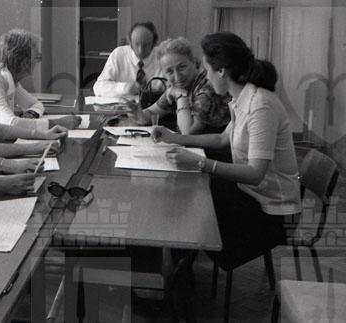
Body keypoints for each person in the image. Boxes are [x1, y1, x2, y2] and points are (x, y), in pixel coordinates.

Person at [152, 32, 301, 267]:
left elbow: (255, 173)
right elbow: (223, 139)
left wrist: (201, 163)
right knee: (185, 195)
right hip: (250, 193)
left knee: (189, 205)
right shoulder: (242, 98)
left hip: (272, 211)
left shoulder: (260, 105)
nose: (207, 77)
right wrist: (174, 138)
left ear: (221, 70)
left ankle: (175, 269)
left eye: (207, 70)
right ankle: (178, 266)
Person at [0, 29, 81, 139]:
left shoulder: (11, 81)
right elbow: (10, 124)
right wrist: (57, 123)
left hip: (2, 141)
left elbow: (36, 104)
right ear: (23, 62)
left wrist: (30, 114)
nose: (37, 62)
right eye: (36, 58)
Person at [126, 37, 230, 135]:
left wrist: (181, 96)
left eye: (182, 67)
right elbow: (151, 114)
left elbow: (187, 132)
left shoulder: (206, 87)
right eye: (169, 71)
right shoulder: (179, 86)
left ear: (194, 62)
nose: (177, 76)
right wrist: (138, 114)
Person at [93, 21, 163, 98]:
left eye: (146, 45)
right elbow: (98, 88)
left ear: (154, 43)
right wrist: (124, 88)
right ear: (130, 42)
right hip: (123, 105)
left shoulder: (163, 56)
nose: (140, 51)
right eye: (136, 44)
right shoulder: (119, 54)